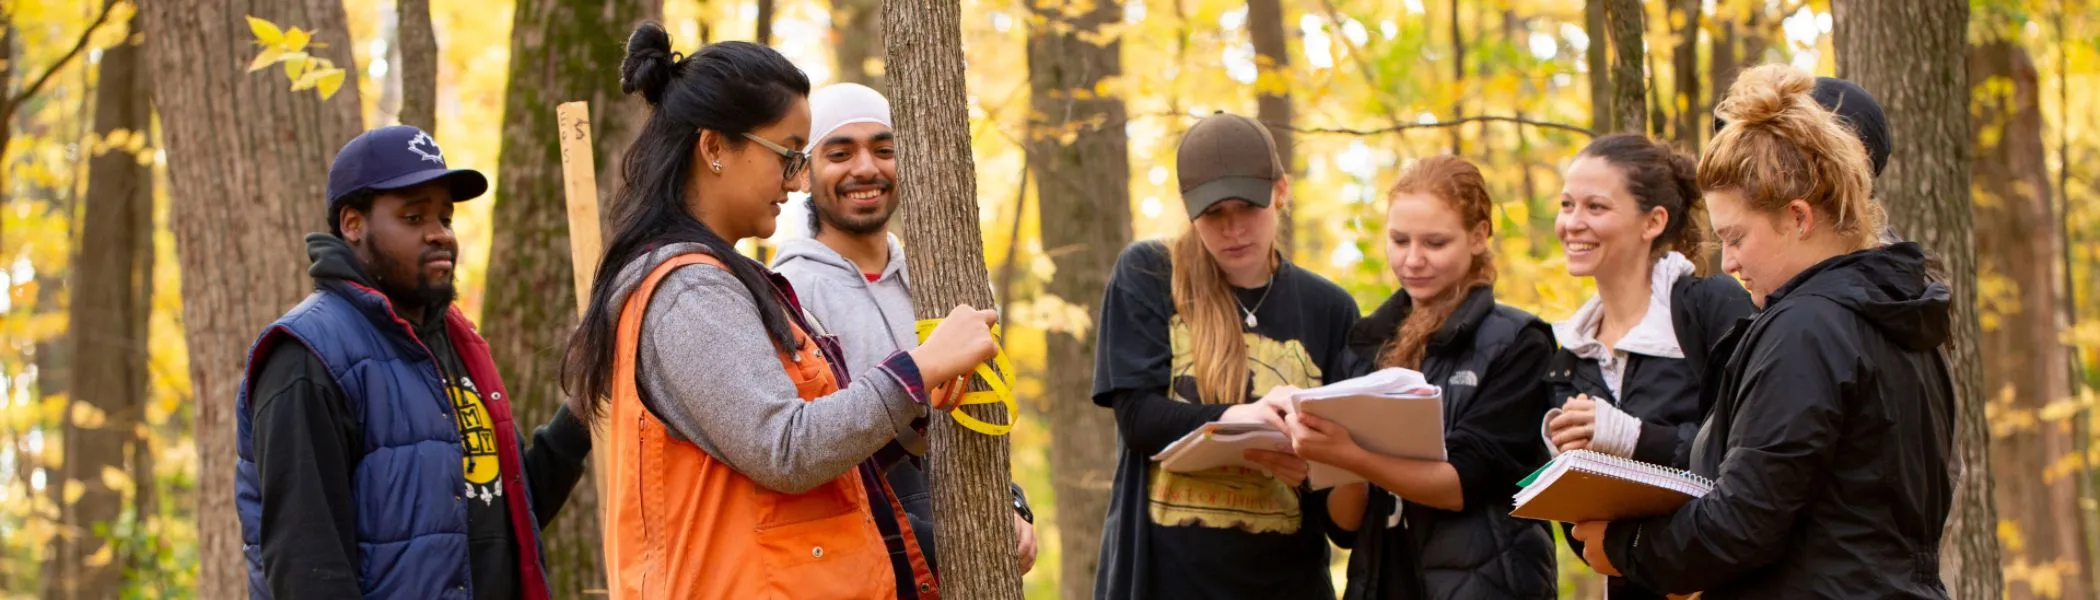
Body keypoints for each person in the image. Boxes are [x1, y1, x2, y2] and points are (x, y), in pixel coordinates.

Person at [562, 25, 998, 599]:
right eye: (789, 156)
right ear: (715, 147)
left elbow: (770, 462)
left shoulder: (722, 279)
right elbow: (783, 448)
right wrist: (916, 370)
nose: (796, 182)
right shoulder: (688, 292)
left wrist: (908, 413)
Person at [1571, 64, 1956, 598]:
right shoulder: (1897, 310)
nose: (1726, 262)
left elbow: (1742, 522)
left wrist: (1626, 548)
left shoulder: (1806, 329)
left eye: (1735, 237)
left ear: (1798, 217)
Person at [234, 125, 593, 600]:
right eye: (413, 216)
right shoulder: (306, 357)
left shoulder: (454, 346)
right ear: (353, 224)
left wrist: (581, 411)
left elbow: (502, 517)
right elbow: (307, 568)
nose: (439, 234)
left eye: (445, 217)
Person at [769, 82, 1039, 589]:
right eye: (840, 152)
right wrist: (946, 539)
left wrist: (1011, 504)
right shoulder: (791, 294)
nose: (866, 168)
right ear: (803, 172)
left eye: (884, 149)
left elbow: (971, 423)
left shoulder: (941, 281)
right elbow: (813, 453)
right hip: (865, 569)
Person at [1091, 112, 1357, 599]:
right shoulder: (1149, 275)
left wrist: (1313, 468)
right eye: (1214, 213)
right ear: (1190, 211)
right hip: (1163, 584)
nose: (1233, 229)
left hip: (1288, 584)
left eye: (1248, 207)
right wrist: (1243, 416)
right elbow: (1138, 419)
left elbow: (1344, 513)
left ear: (1281, 191)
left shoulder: (1330, 309)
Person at [1286, 155, 1557, 599]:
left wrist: (1352, 455)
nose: (1413, 260)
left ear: (1478, 236)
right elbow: (1345, 525)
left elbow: (1461, 484)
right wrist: (1320, 451)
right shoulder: (1365, 343)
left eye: (1434, 242)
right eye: (1399, 240)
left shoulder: (1520, 343)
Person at [1541, 134, 1757, 599]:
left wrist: (1632, 439)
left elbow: (1752, 455)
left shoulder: (1710, 309)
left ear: (1653, 221)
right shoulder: (1568, 358)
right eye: (1566, 205)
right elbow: (1585, 540)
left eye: (1595, 207)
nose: (1572, 223)